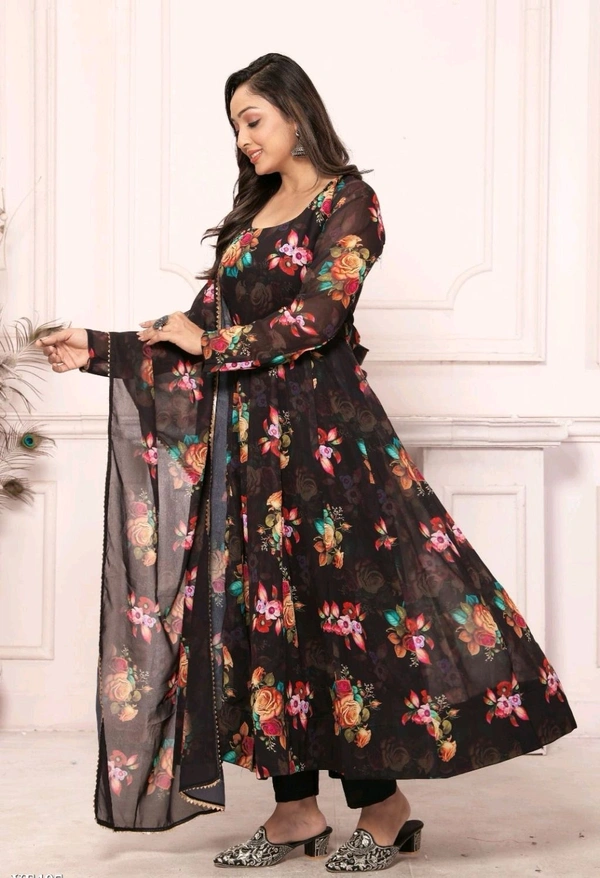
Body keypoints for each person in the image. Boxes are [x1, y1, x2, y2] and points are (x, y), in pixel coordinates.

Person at [36, 53, 576, 873]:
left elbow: (319, 318)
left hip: (330, 452)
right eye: (234, 127)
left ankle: (385, 809)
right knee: (265, 627)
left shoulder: (348, 202)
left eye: (253, 120)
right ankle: (294, 812)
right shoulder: (250, 217)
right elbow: (193, 337)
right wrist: (97, 349)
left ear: (295, 113)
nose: (243, 139)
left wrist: (213, 343)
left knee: (342, 626)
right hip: (250, 461)